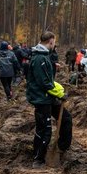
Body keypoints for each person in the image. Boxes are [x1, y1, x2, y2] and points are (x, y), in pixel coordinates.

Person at [26, 32, 63, 166]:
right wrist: (59, 94)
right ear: (51, 41)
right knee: (45, 130)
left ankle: (39, 155)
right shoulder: (40, 59)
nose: (54, 45)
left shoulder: (43, 56)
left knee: (43, 128)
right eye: (54, 42)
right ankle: (38, 159)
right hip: (41, 99)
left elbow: (47, 78)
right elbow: (44, 82)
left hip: (44, 98)